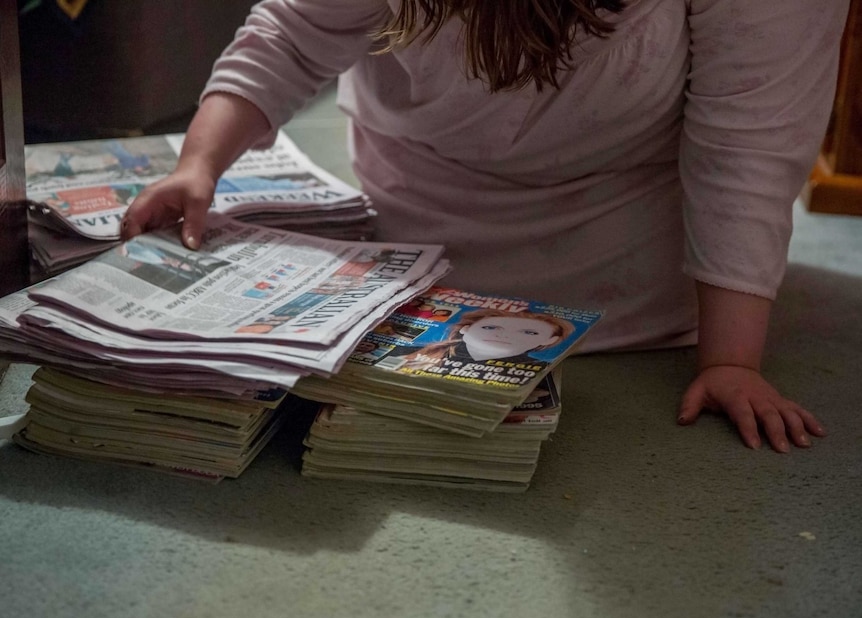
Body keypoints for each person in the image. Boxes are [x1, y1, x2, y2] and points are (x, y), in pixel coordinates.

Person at [121, 0, 851, 453]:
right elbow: (292, 34)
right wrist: (200, 162)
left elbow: (745, 145)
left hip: (633, 249)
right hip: (411, 230)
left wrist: (732, 361)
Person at [400, 309, 575, 371]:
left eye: (529, 333)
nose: (506, 336)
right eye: (490, 328)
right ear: (465, 329)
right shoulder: (407, 353)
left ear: (550, 340)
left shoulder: (539, 371)